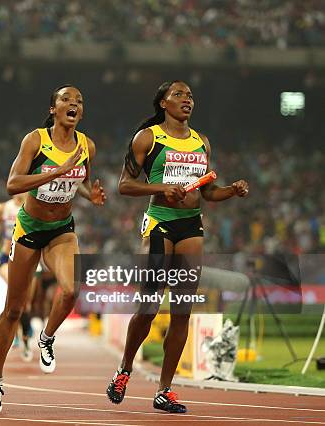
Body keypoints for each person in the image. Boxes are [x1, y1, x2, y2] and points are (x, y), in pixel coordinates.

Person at [108, 80, 249, 413]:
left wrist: (231, 190)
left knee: (183, 308)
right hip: (159, 222)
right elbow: (124, 185)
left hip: (191, 226)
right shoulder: (148, 138)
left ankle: (164, 390)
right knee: (150, 305)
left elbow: (207, 193)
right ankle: (124, 370)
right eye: (178, 95)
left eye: (189, 95)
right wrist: (162, 188)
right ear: (162, 103)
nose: (187, 99)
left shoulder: (202, 142)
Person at [0, 85, 106, 413]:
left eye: (79, 101)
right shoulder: (35, 140)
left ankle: (47, 338)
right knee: (14, 309)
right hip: (29, 230)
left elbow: (79, 181)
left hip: (61, 231)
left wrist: (87, 195)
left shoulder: (87, 146)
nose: (74, 104)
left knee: (70, 291)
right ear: (53, 108)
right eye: (66, 99)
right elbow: (13, 183)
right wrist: (56, 171)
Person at [0, 194, 36, 362]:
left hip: (28, 257)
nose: (18, 193)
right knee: (16, 294)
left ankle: (25, 335)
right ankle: (16, 333)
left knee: (26, 301)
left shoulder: (32, 204)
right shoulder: (2, 208)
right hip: (6, 257)